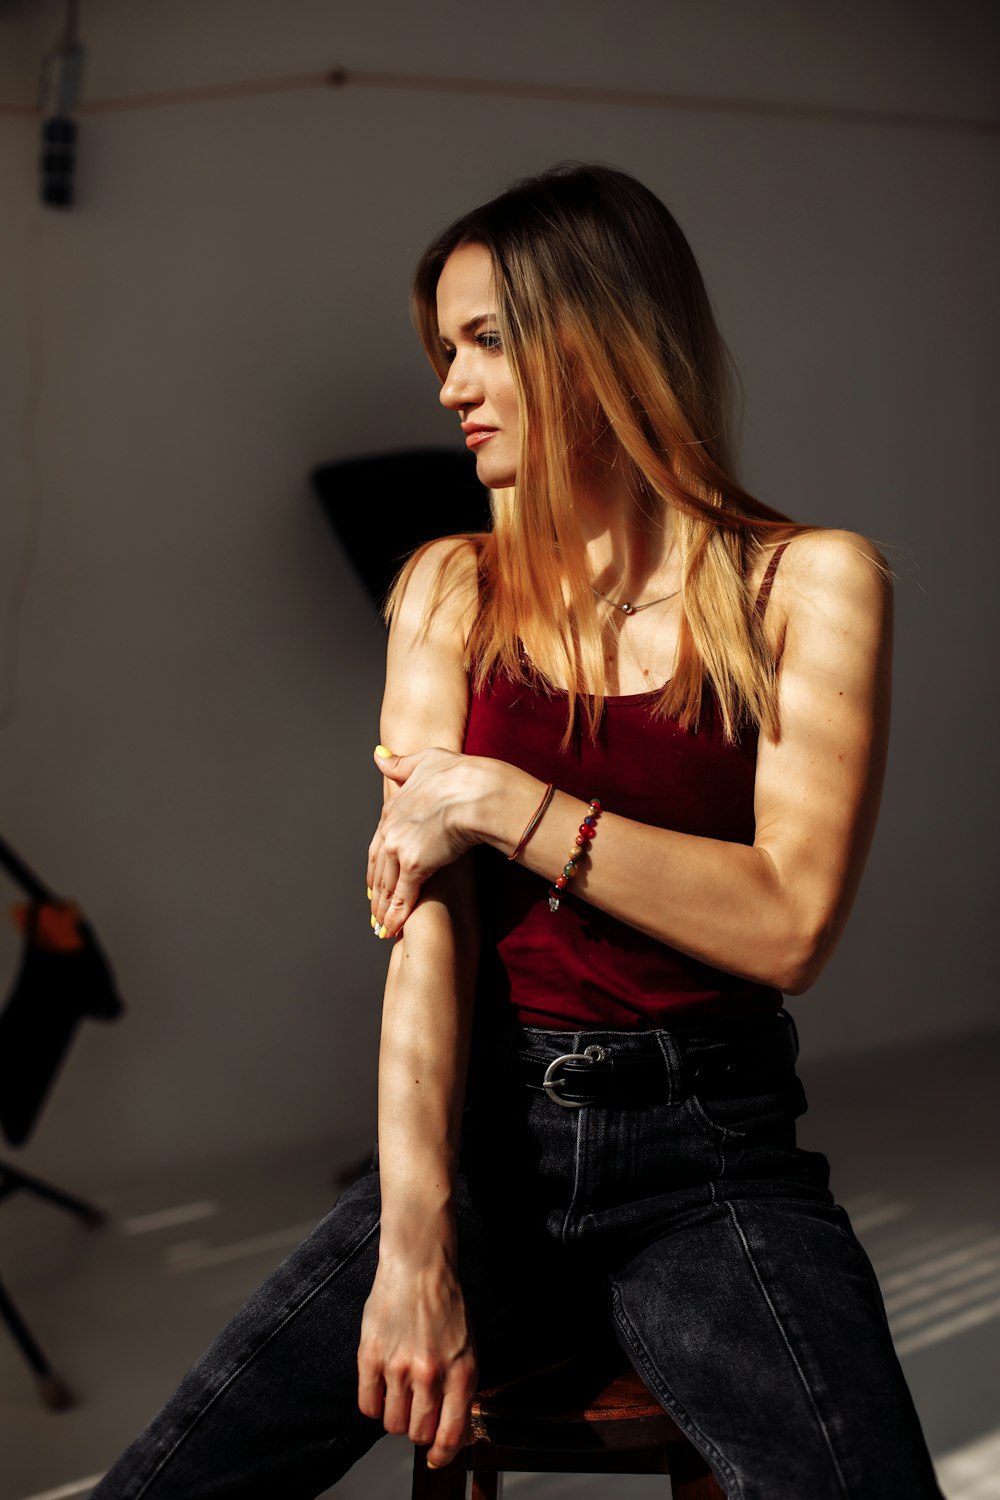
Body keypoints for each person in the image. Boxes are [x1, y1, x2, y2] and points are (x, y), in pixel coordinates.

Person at [92, 164, 942, 1500]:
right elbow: (427, 934)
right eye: (444, 347)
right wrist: (414, 1242)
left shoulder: (807, 583)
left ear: (599, 336)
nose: (449, 384)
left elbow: (788, 923)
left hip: (717, 1160)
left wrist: (501, 798)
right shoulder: (449, 588)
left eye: (485, 339)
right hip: (487, 1147)